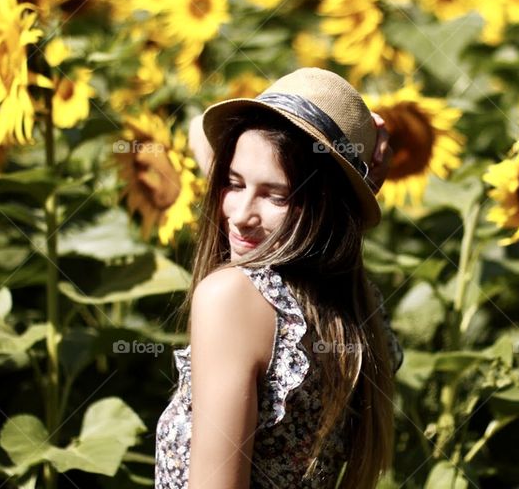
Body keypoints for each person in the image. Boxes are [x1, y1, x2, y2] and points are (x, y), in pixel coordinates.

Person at [156, 67, 404, 489]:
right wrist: (354, 171)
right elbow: (208, 135)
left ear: (325, 203)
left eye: (276, 196)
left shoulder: (233, 298)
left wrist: (350, 165)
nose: (240, 216)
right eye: (233, 184)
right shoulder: (355, 309)